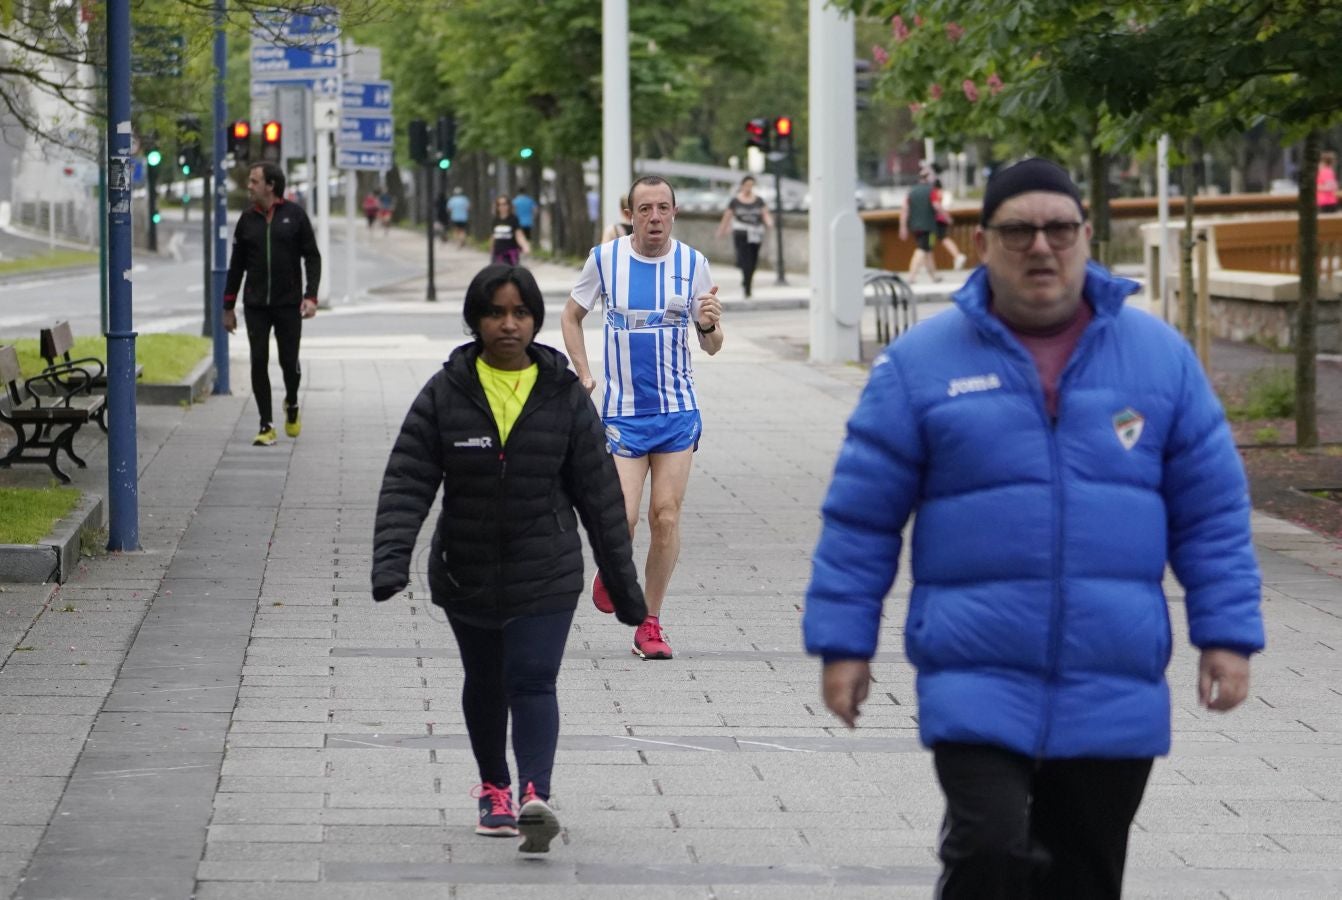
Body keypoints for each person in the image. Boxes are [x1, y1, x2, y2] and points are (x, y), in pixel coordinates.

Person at [803, 157, 1264, 899]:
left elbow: (1212, 514)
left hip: (1111, 675)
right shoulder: (921, 366)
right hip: (976, 673)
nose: (1041, 247)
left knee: (1084, 876)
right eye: (1019, 231)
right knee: (987, 850)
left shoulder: (1160, 361)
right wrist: (843, 645)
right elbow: (861, 520)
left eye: (1059, 229)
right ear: (983, 241)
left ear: (1086, 236)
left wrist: (1229, 636)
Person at [371, 264, 647, 853]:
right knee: (486, 679)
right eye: (496, 312)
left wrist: (626, 590)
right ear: (475, 320)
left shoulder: (563, 394)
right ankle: (493, 787)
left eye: (520, 312)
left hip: (546, 567)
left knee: (532, 678)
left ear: (535, 321)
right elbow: (408, 479)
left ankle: (533, 796)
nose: (508, 324)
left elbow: (600, 497)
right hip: (464, 568)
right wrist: (391, 562)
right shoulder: (447, 391)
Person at [561, 175, 724, 661]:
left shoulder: (693, 264)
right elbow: (571, 316)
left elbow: (713, 346)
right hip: (624, 414)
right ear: (631, 214)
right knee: (623, 518)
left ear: (675, 213)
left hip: (676, 411)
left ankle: (650, 624)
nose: (655, 217)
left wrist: (710, 322)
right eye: (645, 208)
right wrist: (584, 372)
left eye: (664, 208)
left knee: (666, 517)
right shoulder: (604, 260)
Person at [223, 161, 321, 447]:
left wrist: (311, 296)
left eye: (254, 181)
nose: (249, 186)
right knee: (258, 360)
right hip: (255, 305)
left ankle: (291, 403)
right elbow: (236, 266)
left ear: (270, 185)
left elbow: (312, 257)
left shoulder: (295, 216)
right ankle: (266, 424)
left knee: (289, 362)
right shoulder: (246, 220)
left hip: (288, 303)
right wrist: (228, 307)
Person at [715, 175, 772, 298]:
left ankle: (747, 280)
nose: (749, 188)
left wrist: (769, 222)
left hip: (755, 233)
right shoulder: (735, 201)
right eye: (747, 185)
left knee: (753, 260)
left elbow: (765, 213)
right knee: (744, 259)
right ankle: (747, 287)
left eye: (751, 185)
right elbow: (727, 216)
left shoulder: (759, 200)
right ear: (742, 186)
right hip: (741, 232)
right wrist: (722, 230)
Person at [900, 170, 942, 282]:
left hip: (915, 226)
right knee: (922, 249)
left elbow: (905, 210)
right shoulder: (931, 191)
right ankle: (911, 276)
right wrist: (946, 216)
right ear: (928, 178)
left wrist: (903, 227)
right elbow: (936, 206)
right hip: (928, 226)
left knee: (928, 249)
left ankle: (934, 276)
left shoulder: (911, 192)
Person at [931, 178, 969, 270]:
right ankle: (957, 256)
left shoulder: (934, 193)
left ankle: (957, 256)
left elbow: (936, 206)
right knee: (940, 239)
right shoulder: (943, 193)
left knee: (938, 240)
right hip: (942, 218)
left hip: (936, 219)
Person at [490, 196, 531, 266]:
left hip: (510, 255)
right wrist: (491, 250)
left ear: (509, 205)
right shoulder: (495, 220)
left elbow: (519, 235)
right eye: (499, 204)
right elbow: (493, 236)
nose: (502, 207)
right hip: (497, 254)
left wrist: (525, 246)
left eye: (504, 204)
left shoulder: (514, 219)